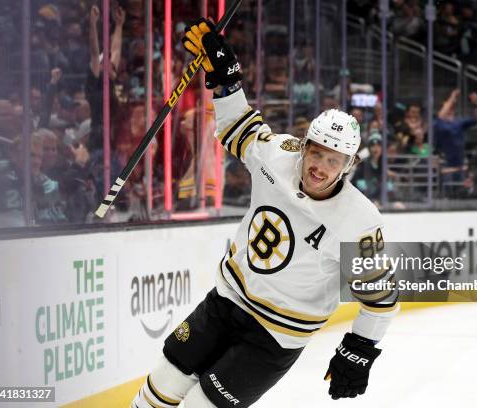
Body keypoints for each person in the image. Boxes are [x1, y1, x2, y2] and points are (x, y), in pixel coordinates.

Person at [132, 19, 398, 408]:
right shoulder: (279, 154)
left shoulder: (358, 220)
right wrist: (227, 81)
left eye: (333, 160)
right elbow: (239, 128)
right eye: (316, 152)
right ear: (304, 145)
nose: (319, 166)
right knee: (158, 388)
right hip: (227, 300)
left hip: (275, 336)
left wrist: (360, 346)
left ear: (349, 165)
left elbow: (381, 297)